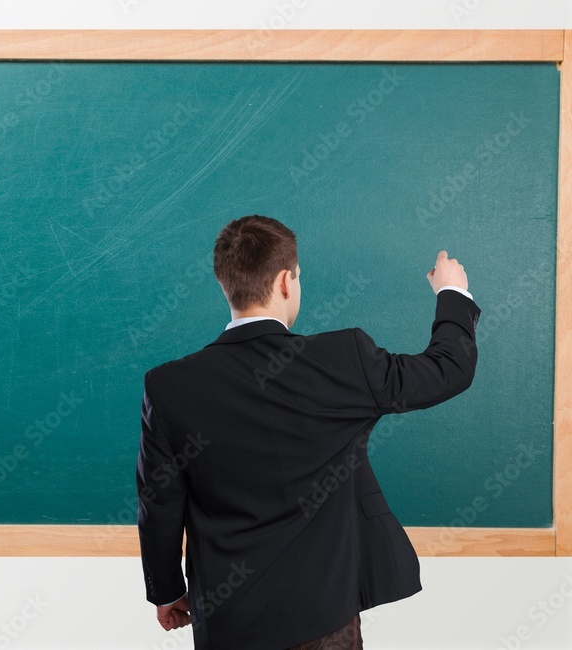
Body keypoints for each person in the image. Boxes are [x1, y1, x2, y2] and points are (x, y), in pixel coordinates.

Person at [136, 214, 480, 649]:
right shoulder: (343, 359)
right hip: (325, 618)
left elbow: (159, 501)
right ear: (285, 281)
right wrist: (452, 292)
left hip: (229, 623)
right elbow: (447, 370)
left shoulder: (169, 386)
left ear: (227, 285)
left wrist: (165, 589)